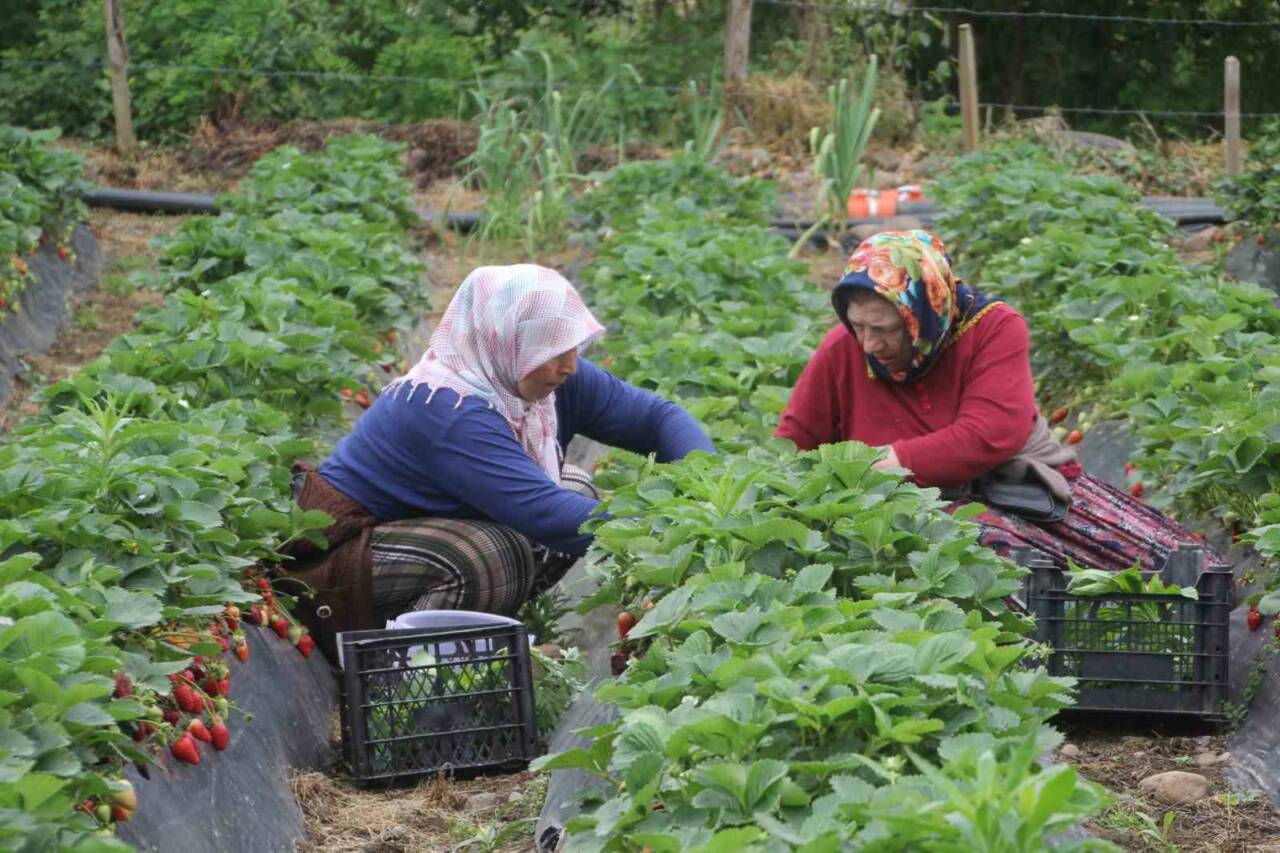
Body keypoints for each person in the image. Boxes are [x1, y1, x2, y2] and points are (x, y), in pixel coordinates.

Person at [284, 264, 714, 652]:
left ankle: (487, 635)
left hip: (417, 533)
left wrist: (709, 485)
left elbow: (659, 419)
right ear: (506, 339)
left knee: (575, 485)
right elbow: (546, 515)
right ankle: (403, 666)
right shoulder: (449, 409)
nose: (568, 365)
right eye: (551, 350)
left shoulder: (551, 380)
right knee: (490, 556)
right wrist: (667, 528)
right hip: (342, 564)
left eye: (571, 346)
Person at [777, 229, 1214, 576]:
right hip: (899, 515)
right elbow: (795, 442)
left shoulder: (993, 328)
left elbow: (991, 434)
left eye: (885, 328)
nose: (870, 343)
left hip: (1016, 488)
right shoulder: (844, 348)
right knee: (988, 563)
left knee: (1186, 571)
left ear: (923, 314)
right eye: (857, 326)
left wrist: (876, 465)